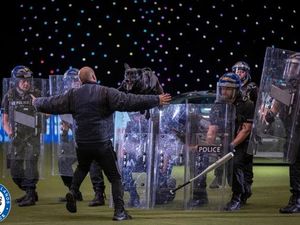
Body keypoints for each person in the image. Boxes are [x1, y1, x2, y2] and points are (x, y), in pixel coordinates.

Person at [32, 66, 172, 221]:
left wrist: (36, 102)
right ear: (93, 76)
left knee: (82, 167)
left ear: (80, 80)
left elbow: (53, 103)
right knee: (115, 177)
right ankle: (119, 212)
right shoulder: (106, 92)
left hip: (82, 143)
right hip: (101, 143)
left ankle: (72, 192)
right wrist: (156, 99)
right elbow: (130, 101)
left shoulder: (72, 95)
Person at [210, 61, 257, 206]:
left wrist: (232, 144)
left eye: (228, 89)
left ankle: (237, 197)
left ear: (235, 89)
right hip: (226, 140)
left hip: (243, 141)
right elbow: (213, 127)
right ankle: (242, 190)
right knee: (231, 172)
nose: (224, 92)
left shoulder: (247, 104)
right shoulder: (218, 105)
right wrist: (209, 144)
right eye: (222, 88)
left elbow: (246, 129)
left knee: (237, 164)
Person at [57, 68, 106, 207]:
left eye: (76, 80)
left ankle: (99, 194)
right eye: (71, 81)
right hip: (78, 140)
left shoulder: (92, 93)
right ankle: (74, 192)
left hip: (93, 137)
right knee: (63, 161)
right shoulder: (67, 97)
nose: (74, 83)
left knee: (93, 163)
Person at [264, 53, 300, 213]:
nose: (290, 69)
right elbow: (273, 110)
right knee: (295, 166)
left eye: (294, 65)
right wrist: (268, 116)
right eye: (289, 65)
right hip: (293, 134)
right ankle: (297, 200)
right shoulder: (287, 87)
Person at [1, 65, 42, 207]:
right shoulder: (9, 95)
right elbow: (5, 120)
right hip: (17, 137)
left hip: (33, 136)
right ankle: (30, 191)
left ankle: (30, 195)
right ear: (16, 81)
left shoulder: (37, 93)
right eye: (23, 81)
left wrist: (38, 104)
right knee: (14, 169)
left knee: (31, 164)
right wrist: (9, 131)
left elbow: (47, 113)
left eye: (28, 80)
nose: (26, 83)